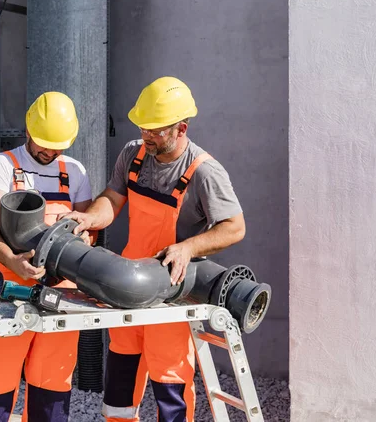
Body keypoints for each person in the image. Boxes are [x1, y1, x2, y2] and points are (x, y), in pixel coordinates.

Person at [60, 76, 246, 422]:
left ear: (181, 129)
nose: (147, 136)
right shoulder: (133, 154)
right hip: (126, 284)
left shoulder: (204, 172)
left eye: (156, 131)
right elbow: (112, 200)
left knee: (169, 382)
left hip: (170, 291)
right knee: (120, 378)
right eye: (144, 127)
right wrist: (90, 219)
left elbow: (235, 227)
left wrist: (188, 247)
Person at [0, 91, 94, 422]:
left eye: (58, 145)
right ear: (28, 131)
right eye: (44, 143)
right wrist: (13, 262)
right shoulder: (2, 166)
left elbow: (87, 230)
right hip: (6, 289)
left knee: (52, 382)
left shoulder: (75, 172)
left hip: (60, 294)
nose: (50, 151)